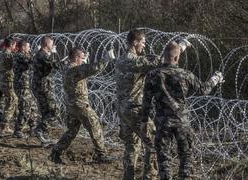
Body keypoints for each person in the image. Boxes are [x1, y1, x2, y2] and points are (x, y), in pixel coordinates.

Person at [141, 40, 224, 180]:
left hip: (162, 123)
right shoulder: (185, 74)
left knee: (164, 158)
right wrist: (216, 79)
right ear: (177, 58)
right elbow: (203, 89)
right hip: (181, 122)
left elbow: (146, 101)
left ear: (164, 56)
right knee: (186, 156)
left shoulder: (152, 75)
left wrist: (144, 122)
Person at [49, 47, 115, 164]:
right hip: (80, 105)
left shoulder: (67, 67)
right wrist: (105, 59)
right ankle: (101, 154)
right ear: (76, 57)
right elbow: (93, 68)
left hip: (71, 104)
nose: (84, 60)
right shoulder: (73, 69)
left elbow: (82, 67)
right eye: (82, 58)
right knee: (95, 126)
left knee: (72, 131)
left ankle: (56, 152)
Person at [115, 29, 159, 180]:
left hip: (122, 109)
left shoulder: (121, 59)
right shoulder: (133, 60)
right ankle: (149, 177)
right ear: (135, 42)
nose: (144, 46)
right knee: (154, 141)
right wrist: (180, 47)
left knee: (131, 146)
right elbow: (161, 61)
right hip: (134, 109)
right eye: (143, 43)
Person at [32, 36, 60, 142]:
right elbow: (56, 65)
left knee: (45, 111)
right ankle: (39, 129)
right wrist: (54, 53)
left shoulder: (42, 54)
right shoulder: (42, 55)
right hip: (44, 87)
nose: (52, 46)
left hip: (41, 86)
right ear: (46, 44)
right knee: (54, 110)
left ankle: (44, 137)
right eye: (51, 44)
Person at [13, 40, 39, 138]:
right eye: (28, 47)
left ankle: (33, 128)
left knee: (33, 108)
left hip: (25, 86)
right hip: (21, 86)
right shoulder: (19, 56)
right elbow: (31, 61)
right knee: (25, 109)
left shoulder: (22, 55)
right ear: (23, 47)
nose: (29, 48)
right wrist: (37, 54)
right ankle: (18, 130)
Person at [0, 38, 18, 133]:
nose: (15, 47)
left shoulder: (2, 53)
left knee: (12, 101)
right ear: (11, 45)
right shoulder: (8, 55)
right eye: (14, 45)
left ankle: (17, 122)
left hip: (3, 81)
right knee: (12, 100)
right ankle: (4, 125)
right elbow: (15, 64)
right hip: (8, 81)